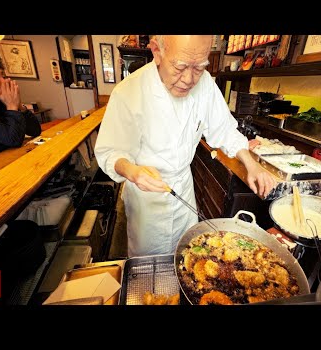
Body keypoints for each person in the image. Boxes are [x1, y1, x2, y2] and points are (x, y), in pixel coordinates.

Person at [94, 35, 276, 257]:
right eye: (180, 67)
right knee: (149, 263)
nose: (189, 79)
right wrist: (132, 171)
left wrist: (251, 164)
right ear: (156, 51)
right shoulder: (128, 92)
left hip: (182, 190)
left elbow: (224, 129)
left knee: (187, 256)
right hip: (146, 200)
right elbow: (111, 151)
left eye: (199, 68)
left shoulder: (206, 84)